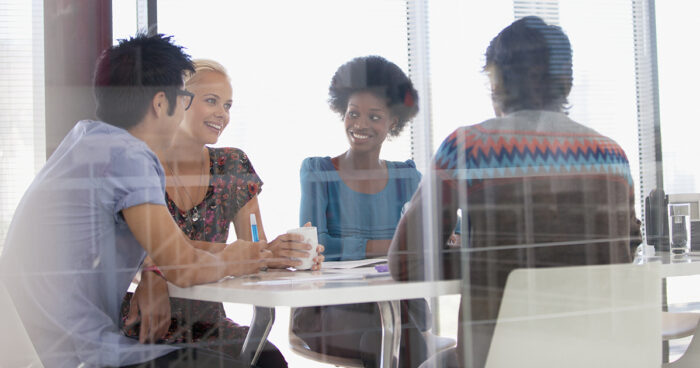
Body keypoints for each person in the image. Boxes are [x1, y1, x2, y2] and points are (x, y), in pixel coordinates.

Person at [0, 34, 312, 368]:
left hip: (40, 342)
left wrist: (258, 253)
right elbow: (183, 266)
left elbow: (175, 248)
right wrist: (241, 259)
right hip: (76, 352)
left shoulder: (88, 140)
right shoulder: (129, 157)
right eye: (186, 97)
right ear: (162, 103)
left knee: (261, 361)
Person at [388, 16, 640, 368]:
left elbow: (406, 262)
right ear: (565, 81)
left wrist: (497, 260)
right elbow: (623, 254)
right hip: (599, 355)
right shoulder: (613, 157)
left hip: (498, 358)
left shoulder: (469, 148)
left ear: (497, 83)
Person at [119, 59, 324, 367]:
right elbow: (126, 250)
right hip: (147, 323)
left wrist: (289, 252)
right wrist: (153, 272)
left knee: (268, 358)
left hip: (208, 326)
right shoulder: (142, 166)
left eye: (227, 105)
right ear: (179, 102)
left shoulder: (233, 166)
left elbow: (255, 247)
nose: (223, 114)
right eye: (211, 101)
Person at [292, 55, 433, 368]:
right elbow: (317, 246)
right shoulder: (318, 172)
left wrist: (448, 237)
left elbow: (445, 229)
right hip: (330, 309)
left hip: (397, 308)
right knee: (390, 338)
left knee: (394, 335)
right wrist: (397, 246)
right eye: (353, 113)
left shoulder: (407, 178)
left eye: (374, 116)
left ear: (393, 122)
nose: (360, 124)